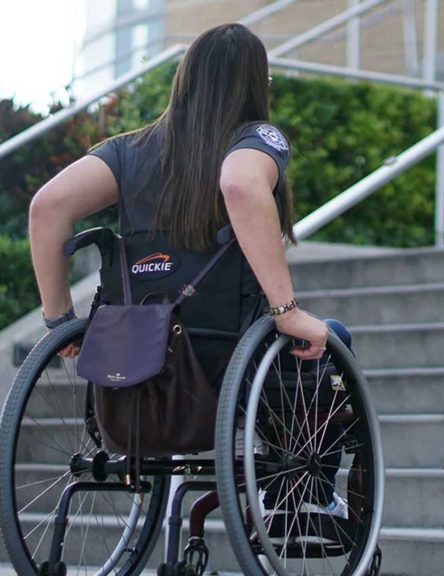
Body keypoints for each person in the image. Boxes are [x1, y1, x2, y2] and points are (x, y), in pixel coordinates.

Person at [28, 22, 333, 361]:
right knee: (336, 336)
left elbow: (48, 205)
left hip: (138, 344)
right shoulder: (256, 139)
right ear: (254, 87)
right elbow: (240, 184)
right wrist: (287, 311)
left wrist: (59, 323)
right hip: (228, 341)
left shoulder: (127, 150)